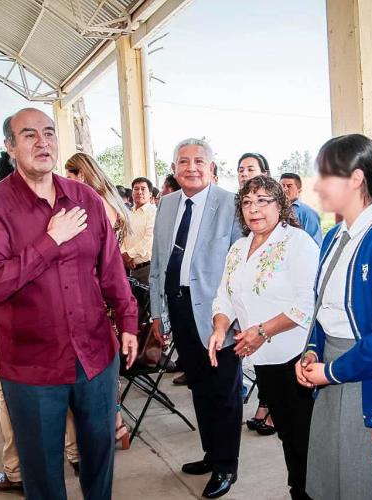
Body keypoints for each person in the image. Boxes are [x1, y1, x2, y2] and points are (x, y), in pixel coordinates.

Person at [0, 108, 139, 500]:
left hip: (95, 355)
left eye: (48, 133)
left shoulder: (85, 199)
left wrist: (128, 321)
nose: (42, 142)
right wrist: (50, 240)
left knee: (100, 457)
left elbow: (111, 269)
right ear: (10, 146)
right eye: (29, 135)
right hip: (31, 365)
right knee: (42, 471)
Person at [296, 134, 372, 500]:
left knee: (360, 483)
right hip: (330, 371)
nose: (317, 185)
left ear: (357, 178)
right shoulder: (333, 237)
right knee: (331, 482)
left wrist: (331, 371)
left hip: (363, 379)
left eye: (326, 175)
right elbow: (322, 309)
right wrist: (313, 350)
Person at [209, 175, 319, 500]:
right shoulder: (238, 248)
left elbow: (306, 303)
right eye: (246, 202)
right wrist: (219, 327)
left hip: (297, 360)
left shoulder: (297, 243)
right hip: (264, 361)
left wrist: (262, 331)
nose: (253, 209)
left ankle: (308, 492)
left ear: (280, 204)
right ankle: (297, 491)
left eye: (262, 201)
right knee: (286, 435)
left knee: (305, 439)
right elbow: (224, 297)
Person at [149, 138, 243, 499]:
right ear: (174, 169)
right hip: (177, 307)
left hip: (218, 315)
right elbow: (158, 262)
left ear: (212, 167)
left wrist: (232, 317)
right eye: (183, 161)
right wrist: (158, 313)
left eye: (199, 161)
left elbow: (239, 267)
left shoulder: (230, 204)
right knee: (199, 388)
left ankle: (226, 467)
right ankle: (211, 453)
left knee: (224, 392)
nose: (191, 167)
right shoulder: (168, 203)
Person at [64, 152, 134, 449]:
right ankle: (115, 424)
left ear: (82, 175)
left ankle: (112, 424)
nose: (65, 182)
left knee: (97, 369)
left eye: (70, 175)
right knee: (104, 368)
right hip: (112, 288)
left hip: (100, 291)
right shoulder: (112, 201)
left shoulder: (93, 204)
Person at [235, 152, 276, 434]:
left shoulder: (292, 236)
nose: (244, 174)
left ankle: (269, 408)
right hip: (252, 332)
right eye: (240, 170)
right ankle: (266, 404)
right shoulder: (241, 243)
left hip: (281, 335)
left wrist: (263, 330)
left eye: (250, 169)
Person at [121, 177, 156, 285]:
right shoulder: (129, 213)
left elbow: (149, 239)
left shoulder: (154, 212)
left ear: (150, 194)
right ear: (132, 193)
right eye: (136, 189)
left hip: (148, 269)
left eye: (143, 189)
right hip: (130, 268)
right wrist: (124, 255)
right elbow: (122, 236)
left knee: (149, 300)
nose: (139, 192)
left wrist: (129, 255)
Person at [280, 173, 323, 245]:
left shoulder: (308, 213)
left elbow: (315, 243)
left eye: (289, 186)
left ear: (299, 191)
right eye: (282, 186)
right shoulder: (273, 210)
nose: (284, 189)